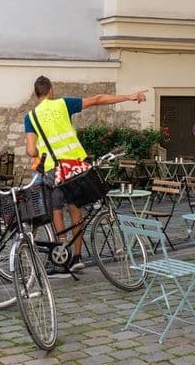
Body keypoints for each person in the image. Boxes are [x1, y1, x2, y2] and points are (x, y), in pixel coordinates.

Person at [24, 76, 147, 276]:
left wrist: (41, 150)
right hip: (75, 166)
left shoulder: (30, 116)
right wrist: (129, 97)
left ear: (37, 94)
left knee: (56, 209)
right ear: (51, 90)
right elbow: (97, 99)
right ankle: (77, 257)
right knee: (75, 208)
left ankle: (61, 253)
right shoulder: (63, 104)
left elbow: (31, 150)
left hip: (54, 169)